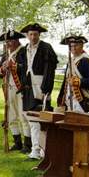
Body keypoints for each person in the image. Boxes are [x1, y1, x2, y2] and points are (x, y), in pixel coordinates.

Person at [16, 23, 58, 160]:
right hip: (28, 89)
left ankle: (39, 150)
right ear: (27, 36)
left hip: (41, 88)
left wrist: (46, 88)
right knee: (31, 119)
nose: (33, 37)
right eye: (30, 34)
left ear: (39, 35)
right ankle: (36, 149)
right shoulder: (24, 50)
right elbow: (21, 69)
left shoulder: (46, 48)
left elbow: (50, 70)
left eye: (35, 34)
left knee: (41, 120)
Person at [0, 29, 29, 152]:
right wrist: (2, 69)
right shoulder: (5, 54)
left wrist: (14, 66)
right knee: (11, 116)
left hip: (21, 88)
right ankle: (17, 143)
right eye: (7, 42)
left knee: (23, 116)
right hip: (8, 89)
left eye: (11, 41)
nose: (8, 44)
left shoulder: (24, 52)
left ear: (17, 40)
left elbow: (27, 69)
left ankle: (27, 145)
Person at [57, 35, 89, 113]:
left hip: (83, 99)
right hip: (69, 98)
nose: (73, 48)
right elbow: (65, 81)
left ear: (82, 46)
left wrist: (78, 82)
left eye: (76, 45)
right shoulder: (70, 61)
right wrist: (61, 97)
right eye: (71, 46)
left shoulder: (87, 60)